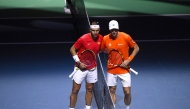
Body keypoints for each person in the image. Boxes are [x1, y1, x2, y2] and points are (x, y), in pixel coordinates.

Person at [101, 20, 139, 109]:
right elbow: (102, 49)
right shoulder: (105, 38)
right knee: (112, 90)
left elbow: (136, 48)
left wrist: (128, 60)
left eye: (115, 29)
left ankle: (127, 107)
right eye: (112, 30)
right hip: (111, 69)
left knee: (127, 92)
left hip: (124, 69)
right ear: (109, 30)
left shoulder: (126, 37)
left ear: (118, 29)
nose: (114, 31)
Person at [69, 21, 103, 109]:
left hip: (92, 69)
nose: (95, 32)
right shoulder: (83, 39)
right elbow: (72, 49)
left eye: (97, 30)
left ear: (99, 30)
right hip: (80, 68)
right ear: (90, 30)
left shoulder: (101, 38)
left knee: (89, 89)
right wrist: (79, 63)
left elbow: (101, 49)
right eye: (93, 30)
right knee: (75, 90)